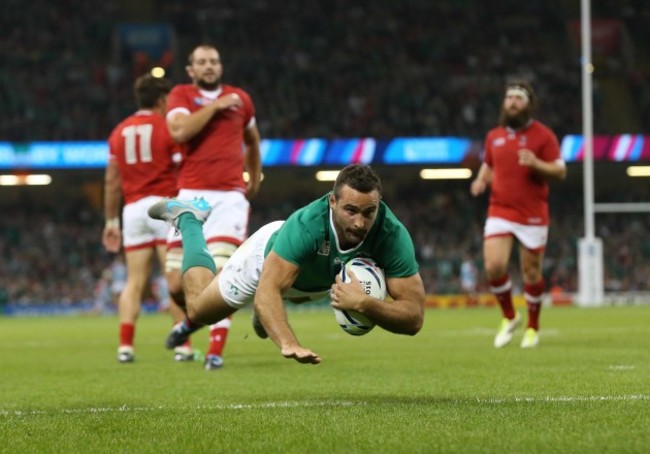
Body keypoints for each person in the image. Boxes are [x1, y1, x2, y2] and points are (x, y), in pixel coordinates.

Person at [148, 164, 425, 364]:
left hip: (316, 279)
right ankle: (189, 219)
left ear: (379, 205)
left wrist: (365, 304)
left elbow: (414, 318)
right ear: (332, 202)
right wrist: (289, 342)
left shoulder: (391, 234)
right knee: (198, 308)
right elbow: (267, 290)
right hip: (265, 258)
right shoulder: (306, 226)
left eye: (369, 212)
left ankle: (267, 312)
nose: (359, 222)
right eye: (350, 210)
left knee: (293, 297)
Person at [163, 43, 262, 370]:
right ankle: (193, 321)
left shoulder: (241, 99)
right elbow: (179, 131)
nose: (209, 66)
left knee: (220, 276)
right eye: (202, 62)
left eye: (214, 61)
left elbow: (252, 139)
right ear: (191, 70)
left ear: (221, 67)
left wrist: (256, 174)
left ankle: (215, 351)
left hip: (229, 199)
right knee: (177, 284)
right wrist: (216, 106)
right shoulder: (181, 96)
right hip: (190, 195)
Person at [470, 80, 567, 349]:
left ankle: (533, 327)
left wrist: (536, 163)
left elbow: (560, 170)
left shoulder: (543, 136)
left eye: (518, 98)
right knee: (493, 266)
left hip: (532, 212)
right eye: (509, 97)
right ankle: (510, 316)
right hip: (500, 209)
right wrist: (481, 181)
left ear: (528, 105)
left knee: (531, 272)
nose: (512, 102)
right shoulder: (494, 136)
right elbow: (488, 165)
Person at [103, 73, 180, 363]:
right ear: (162, 99)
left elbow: (111, 182)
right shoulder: (168, 127)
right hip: (163, 205)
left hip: (132, 209)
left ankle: (125, 346)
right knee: (171, 277)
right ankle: (181, 345)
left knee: (134, 281)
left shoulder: (119, 131)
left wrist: (111, 222)